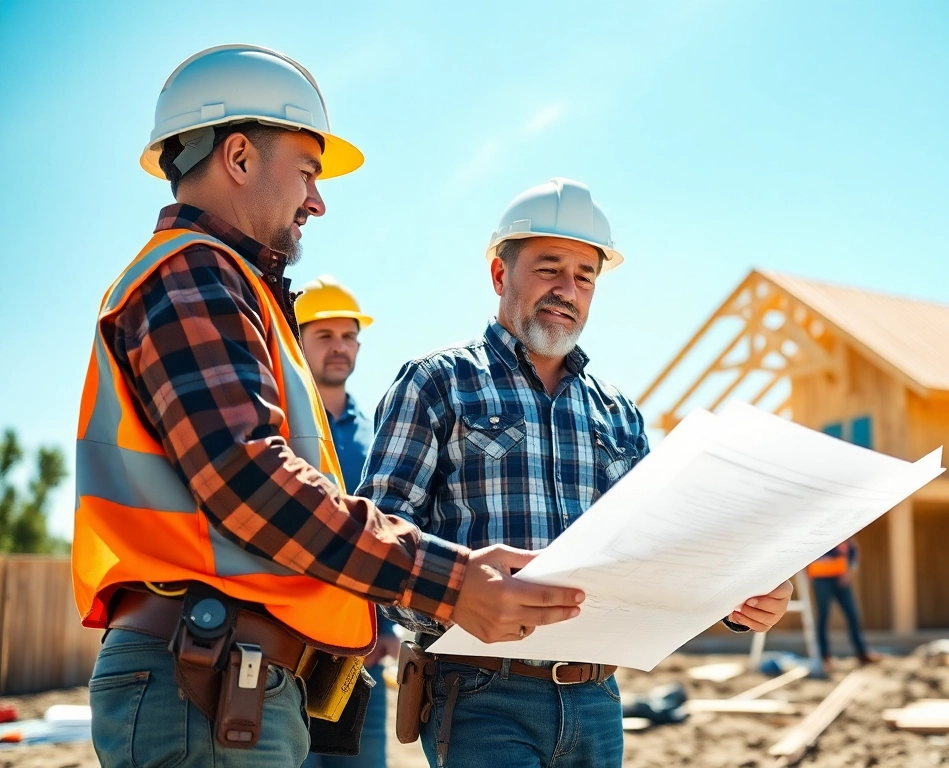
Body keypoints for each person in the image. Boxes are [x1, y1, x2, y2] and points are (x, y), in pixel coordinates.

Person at [72, 46, 581, 767]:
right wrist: (452, 581)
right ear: (240, 156)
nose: (317, 200)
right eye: (308, 172)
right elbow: (249, 480)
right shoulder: (192, 273)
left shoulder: (231, 289)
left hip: (222, 673)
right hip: (205, 675)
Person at [360, 177, 795, 768]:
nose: (568, 290)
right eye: (548, 269)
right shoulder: (436, 383)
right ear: (499, 276)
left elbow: (661, 549)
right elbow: (381, 539)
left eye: (584, 276)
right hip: (481, 695)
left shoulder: (616, 412)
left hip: (597, 700)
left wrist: (736, 595)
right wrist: (458, 597)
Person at [295, 277, 397, 767]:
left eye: (348, 336)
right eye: (324, 336)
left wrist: (390, 632)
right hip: (286, 652)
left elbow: (390, 530)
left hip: (358, 658)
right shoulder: (280, 424)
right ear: (297, 340)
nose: (340, 348)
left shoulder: (380, 432)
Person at [807, 537, 879, 673]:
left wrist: (849, 571)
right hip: (820, 579)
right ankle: (824, 657)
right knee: (823, 617)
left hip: (840, 578)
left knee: (853, 614)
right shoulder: (815, 533)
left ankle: (861, 653)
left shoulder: (842, 531)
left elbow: (852, 551)